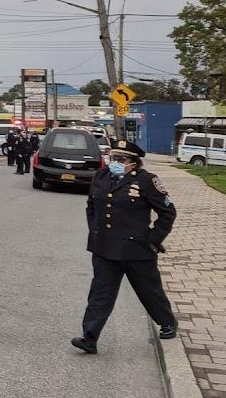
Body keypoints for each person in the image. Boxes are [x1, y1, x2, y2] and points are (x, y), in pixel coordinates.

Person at [71, 140, 178, 354]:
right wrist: (95, 232)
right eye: (113, 158)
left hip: (136, 249)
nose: (116, 162)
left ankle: (167, 323)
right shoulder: (101, 176)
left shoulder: (147, 181)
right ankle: (89, 338)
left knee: (149, 290)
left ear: (134, 162)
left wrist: (153, 239)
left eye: (122, 159)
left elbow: (168, 212)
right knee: (100, 294)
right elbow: (92, 207)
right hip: (105, 248)